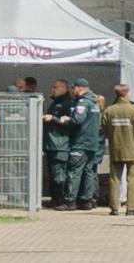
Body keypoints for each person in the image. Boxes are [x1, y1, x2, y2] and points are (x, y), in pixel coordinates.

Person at [103, 84, 134, 215]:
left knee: (114, 178)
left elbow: (104, 128)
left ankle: (114, 208)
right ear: (127, 94)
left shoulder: (109, 110)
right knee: (132, 179)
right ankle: (131, 208)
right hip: (133, 149)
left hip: (116, 149)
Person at [65, 79, 104, 210]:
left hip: (80, 143)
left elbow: (78, 120)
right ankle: (87, 200)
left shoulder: (83, 102)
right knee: (89, 172)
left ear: (80, 88)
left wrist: (65, 120)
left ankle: (70, 201)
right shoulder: (94, 103)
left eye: (73, 88)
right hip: (92, 144)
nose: (72, 91)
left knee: (74, 172)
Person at [43, 79, 76, 209]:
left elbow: (70, 122)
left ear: (64, 88)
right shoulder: (55, 103)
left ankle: (61, 200)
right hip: (52, 144)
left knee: (59, 173)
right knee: (53, 173)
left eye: (55, 87)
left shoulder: (67, 104)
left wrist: (53, 119)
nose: (53, 89)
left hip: (60, 144)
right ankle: (55, 199)